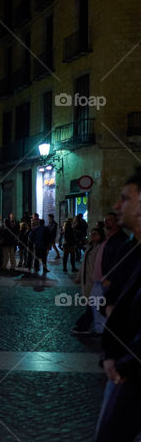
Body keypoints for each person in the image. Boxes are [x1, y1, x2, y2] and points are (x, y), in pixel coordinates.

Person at [95, 171, 141, 440]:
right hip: (124, 369)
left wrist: (123, 362)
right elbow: (112, 300)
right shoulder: (130, 250)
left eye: (125, 199)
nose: (116, 205)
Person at [72, 227, 104, 336]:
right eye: (91, 234)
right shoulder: (89, 247)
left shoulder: (100, 248)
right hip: (87, 278)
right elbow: (84, 263)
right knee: (91, 303)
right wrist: (78, 277)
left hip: (94, 279)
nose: (92, 236)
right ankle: (85, 325)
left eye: (95, 234)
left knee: (92, 304)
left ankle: (84, 325)